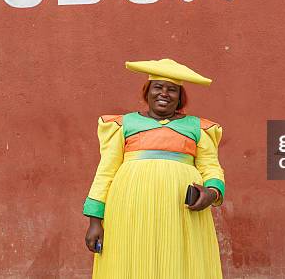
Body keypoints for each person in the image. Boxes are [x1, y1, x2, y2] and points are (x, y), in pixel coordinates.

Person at [83, 58, 225, 279]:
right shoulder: (122, 125)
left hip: (181, 216)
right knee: (132, 260)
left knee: (178, 264)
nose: (164, 94)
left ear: (180, 97)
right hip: (129, 212)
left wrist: (212, 192)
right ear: (147, 92)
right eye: (158, 87)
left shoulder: (199, 128)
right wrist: (95, 222)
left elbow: (211, 168)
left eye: (172, 90)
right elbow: (105, 172)